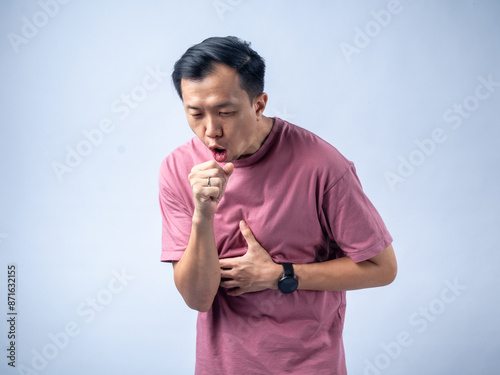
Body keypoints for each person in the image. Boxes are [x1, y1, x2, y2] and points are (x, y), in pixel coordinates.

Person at [159, 36, 397, 375]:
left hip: (309, 364)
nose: (211, 131)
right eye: (195, 114)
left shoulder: (322, 166)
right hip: (221, 366)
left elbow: (383, 268)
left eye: (225, 112)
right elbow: (198, 298)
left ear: (258, 104)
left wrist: (280, 276)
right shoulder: (178, 169)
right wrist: (203, 216)